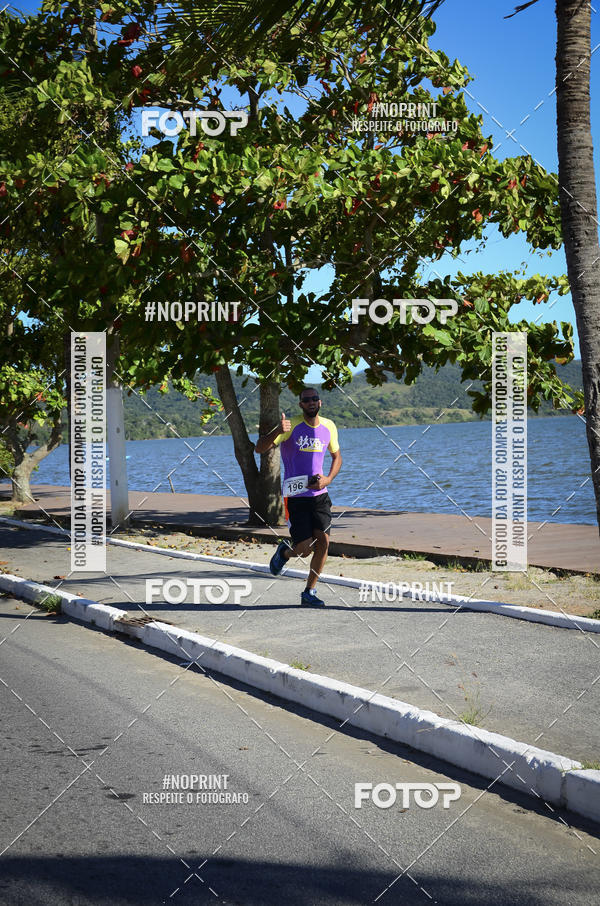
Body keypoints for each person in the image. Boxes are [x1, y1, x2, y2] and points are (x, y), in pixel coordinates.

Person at [254, 388, 342, 606]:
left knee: (323, 542)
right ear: (301, 404)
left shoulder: (329, 426)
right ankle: (285, 553)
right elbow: (259, 448)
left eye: (314, 399)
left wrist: (328, 479)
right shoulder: (290, 426)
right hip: (295, 497)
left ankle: (309, 592)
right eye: (306, 400)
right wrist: (277, 431)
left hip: (320, 495)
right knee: (304, 550)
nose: (311, 402)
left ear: (320, 402)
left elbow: (337, 457)